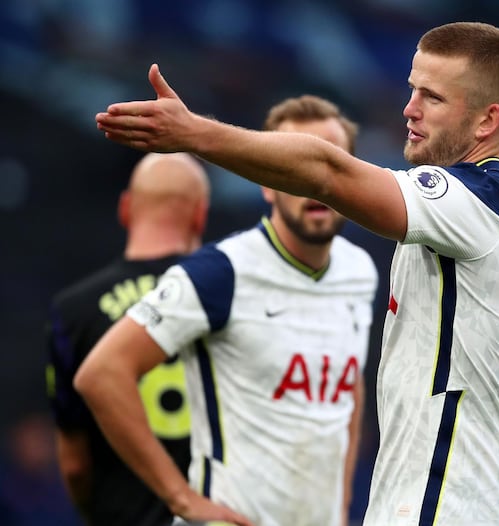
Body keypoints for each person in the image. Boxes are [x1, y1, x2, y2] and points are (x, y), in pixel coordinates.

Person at [91, 21, 499, 525]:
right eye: (411, 90)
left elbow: (328, 173)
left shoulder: (477, 201)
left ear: (487, 122)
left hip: (443, 504)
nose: (409, 109)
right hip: (486, 499)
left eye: (433, 98)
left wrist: (194, 133)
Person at [77, 94, 379, 526]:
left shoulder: (360, 270)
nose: (316, 183)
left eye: (329, 166)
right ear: (266, 181)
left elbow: (347, 387)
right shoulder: (222, 272)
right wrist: (180, 497)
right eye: (296, 166)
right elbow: (101, 374)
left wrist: (342, 501)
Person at [46, 152, 210, 525]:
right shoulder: (225, 297)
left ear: (126, 208)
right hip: (217, 515)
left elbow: (74, 464)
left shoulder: (73, 310)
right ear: (200, 213)